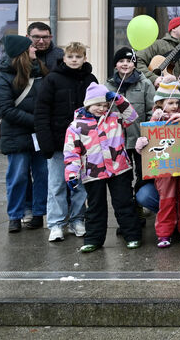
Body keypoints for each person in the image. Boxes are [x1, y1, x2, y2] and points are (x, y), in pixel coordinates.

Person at [63, 83, 141, 252]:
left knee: (124, 203)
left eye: (105, 105)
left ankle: (132, 235)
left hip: (119, 167)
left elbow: (132, 116)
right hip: (93, 172)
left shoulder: (115, 117)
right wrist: (71, 173)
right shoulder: (76, 126)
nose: (102, 109)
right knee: (95, 206)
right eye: (98, 105)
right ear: (88, 104)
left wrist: (120, 100)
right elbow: (71, 152)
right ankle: (93, 239)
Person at [34, 42, 97, 242]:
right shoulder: (52, 79)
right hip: (58, 141)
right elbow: (42, 111)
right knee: (57, 184)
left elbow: (98, 108)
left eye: (78, 57)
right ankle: (56, 223)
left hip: (84, 142)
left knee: (80, 185)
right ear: (64, 58)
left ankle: (77, 219)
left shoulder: (90, 79)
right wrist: (45, 141)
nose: (74, 60)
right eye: (70, 57)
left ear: (84, 58)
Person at [0, 35, 48, 233]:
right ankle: (15, 216)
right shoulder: (2, 77)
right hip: (16, 135)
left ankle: (38, 213)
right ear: (21, 53)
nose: (35, 49)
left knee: (42, 174)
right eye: (31, 47)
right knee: (18, 176)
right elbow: (6, 110)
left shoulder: (40, 71)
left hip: (39, 135)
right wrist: (38, 121)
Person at [135, 77, 180, 248]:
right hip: (164, 171)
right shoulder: (154, 122)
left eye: (177, 103)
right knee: (166, 201)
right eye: (170, 103)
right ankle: (164, 234)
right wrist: (142, 145)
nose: (175, 106)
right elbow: (148, 146)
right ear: (160, 103)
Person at [104, 47, 155, 210]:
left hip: (140, 141)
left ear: (134, 64)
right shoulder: (108, 86)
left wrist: (148, 135)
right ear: (115, 65)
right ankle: (130, 211)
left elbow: (151, 111)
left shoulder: (145, 84)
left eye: (129, 61)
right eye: (121, 61)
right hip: (117, 142)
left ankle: (141, 205)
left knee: (143, 175)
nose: (125, 64)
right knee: (123, 179)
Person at [136, 17, 180, 93]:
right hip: (161, 95)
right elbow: (137, 61)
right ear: (174, 28)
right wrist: (154, 78)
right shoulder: (157, 45)